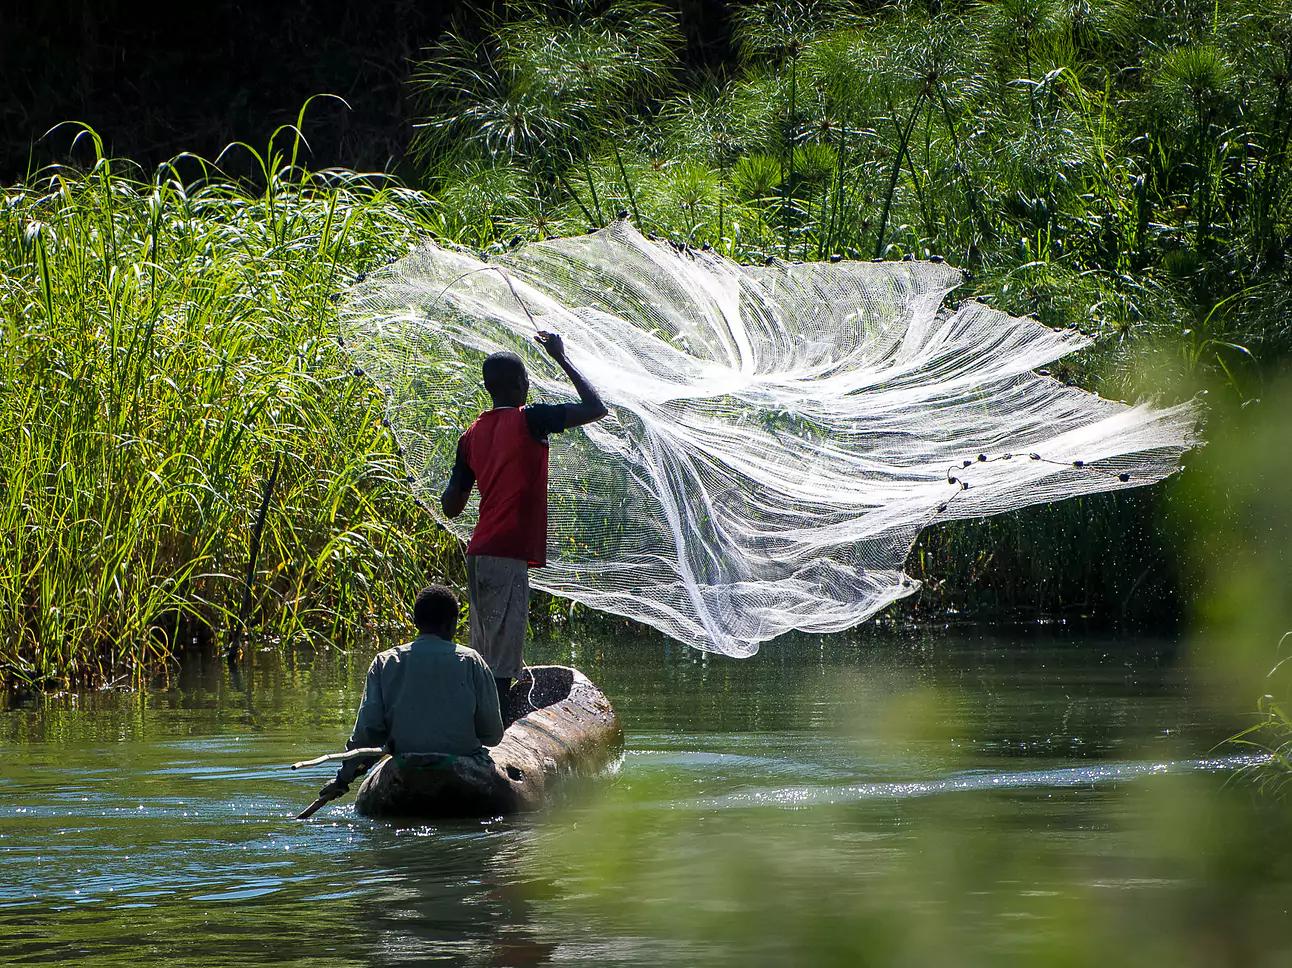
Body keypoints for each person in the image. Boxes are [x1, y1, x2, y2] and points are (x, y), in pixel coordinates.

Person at [440, 331, 608, 710]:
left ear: (488, 388)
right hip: (505, 555)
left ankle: (480, 729)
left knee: (486, 654)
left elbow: (452, 506)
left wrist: (467, 471)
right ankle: (493, 745)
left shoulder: (471, 435)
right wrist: (562, 358)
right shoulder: (532, 419)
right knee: (500, 665)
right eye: (527, 381)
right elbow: (596, 408)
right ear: (520, 384)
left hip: (479, 554)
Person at [347, 584, 503, 755]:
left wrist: (343, 777)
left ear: (415, 622)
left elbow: (367, 733)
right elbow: (492, 735)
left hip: (405, 764)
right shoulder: (472, 661)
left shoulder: (384, 662)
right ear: (453, 624)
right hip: (461, 761)